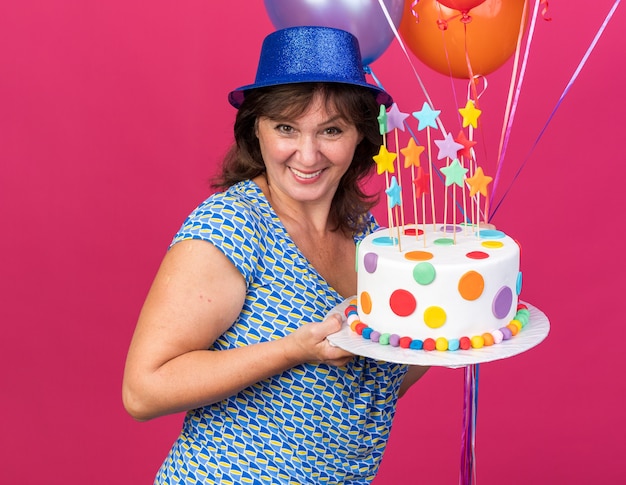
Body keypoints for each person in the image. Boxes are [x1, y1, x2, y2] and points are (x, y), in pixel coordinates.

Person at [122, 26, 428, 484]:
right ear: (257, 131)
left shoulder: (372, 241)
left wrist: (450, 326)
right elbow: (143, 391)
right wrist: (293, 350)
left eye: (331, 130)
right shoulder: (232, 226)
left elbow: (366, 392)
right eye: (287, 128)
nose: (307, 154)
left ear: (360, 138)